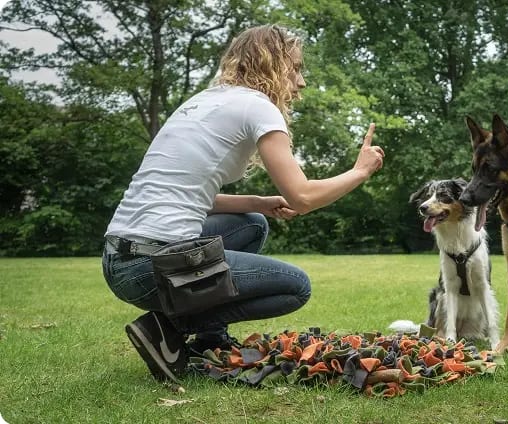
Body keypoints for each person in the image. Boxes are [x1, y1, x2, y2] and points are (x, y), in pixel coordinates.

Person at [100, 24, 384, 383]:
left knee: (252, 222)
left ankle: (209, 342)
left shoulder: (203, 101)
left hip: (120, 258)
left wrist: (260, 202)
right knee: (295, 286)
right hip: (154, 264)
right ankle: (169, 328)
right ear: (271, 65)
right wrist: (360, 171)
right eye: (295, 69)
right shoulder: (258, 106)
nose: (301, 82)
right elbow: (303, 196)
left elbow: (188, 196)